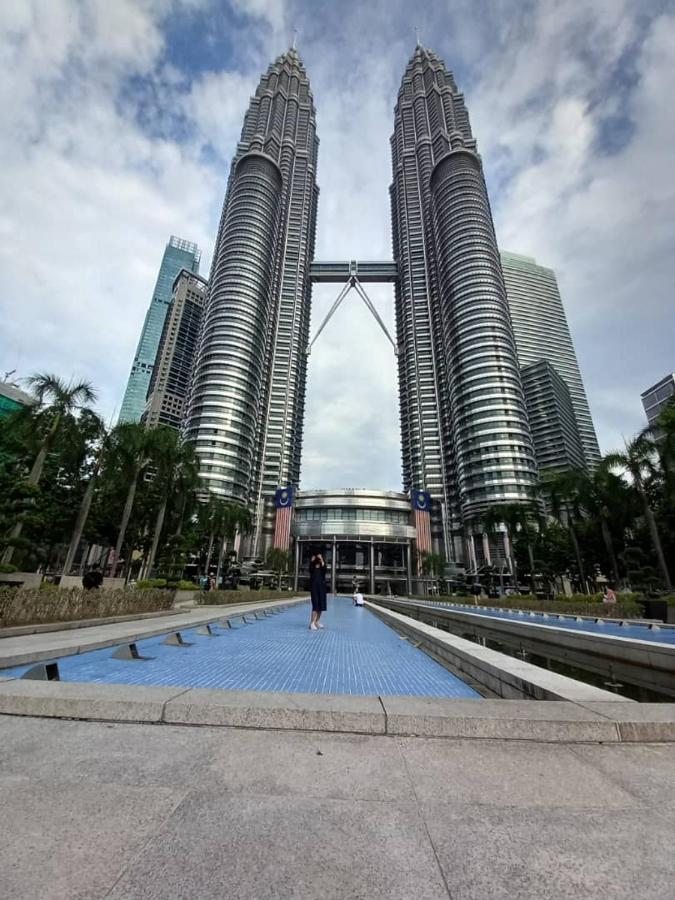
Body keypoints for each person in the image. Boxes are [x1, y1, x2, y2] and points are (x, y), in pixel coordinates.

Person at [308, 551, 327, 630]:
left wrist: (321, 559)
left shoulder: (322, 569)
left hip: (322, 588)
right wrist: (312, 561)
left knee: (321, 606)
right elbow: (310, 569)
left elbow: (324, 567)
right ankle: (312, 623)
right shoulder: (313, 569)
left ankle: (317, 622)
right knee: (315, 606)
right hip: (314, 589)